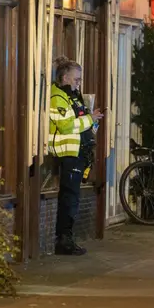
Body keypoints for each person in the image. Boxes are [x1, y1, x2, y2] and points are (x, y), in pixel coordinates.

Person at [49, 56, 104, 256]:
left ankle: (67, 239)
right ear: (64, 77)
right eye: (76, 79)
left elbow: (82, 123)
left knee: (72, 198)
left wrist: (93, 120)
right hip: (68, 153)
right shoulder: (58, 98)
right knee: (69, 198)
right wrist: (90, 119)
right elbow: (65, 126)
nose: (79, 83)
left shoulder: (73, 96)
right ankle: (64, 241)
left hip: (78, 152)